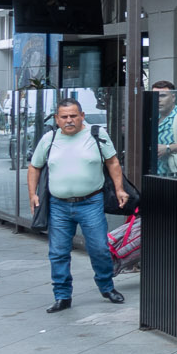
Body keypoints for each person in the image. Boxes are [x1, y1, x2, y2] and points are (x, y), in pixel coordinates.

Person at [28, 97, 129, 312]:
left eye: (74, 116)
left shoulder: (96, 134)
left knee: (99, 248)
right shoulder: (49, 138)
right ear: (57, 119)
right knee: (58, 252)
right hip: (59, 205)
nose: (69, 120)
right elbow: (34, 167)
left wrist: (120, 189)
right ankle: (62, 296)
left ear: (82, 116)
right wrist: (33, 194)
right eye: (64, 117)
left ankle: (106, 286)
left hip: (90, 202)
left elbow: (112, 161)